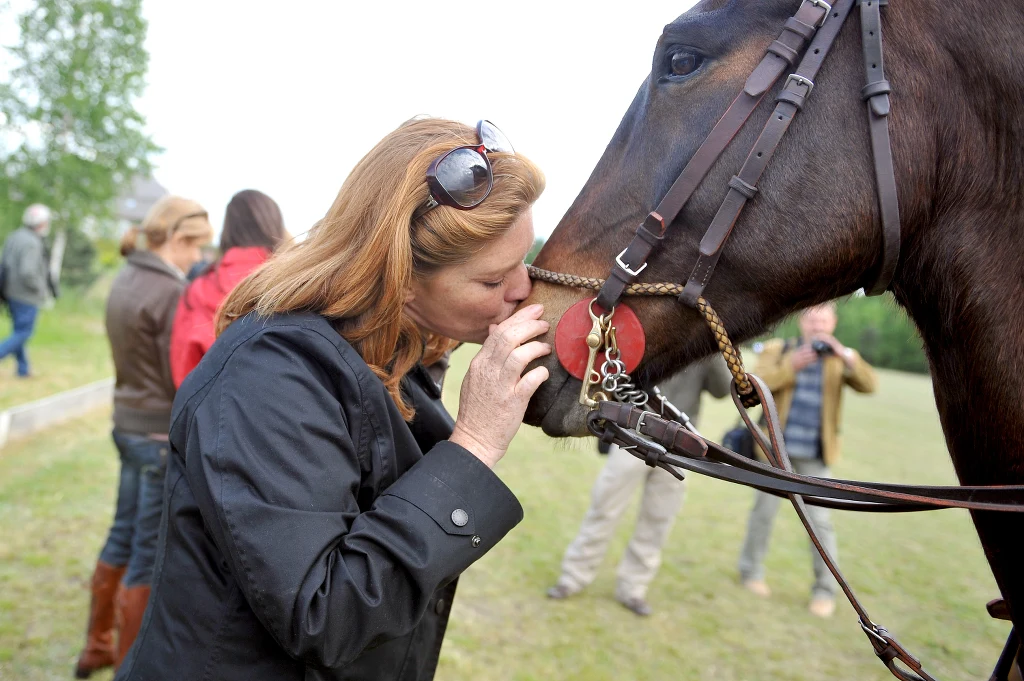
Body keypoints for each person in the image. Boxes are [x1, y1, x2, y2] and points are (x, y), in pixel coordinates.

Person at [117, 118, 548, 681]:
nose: (522, 289)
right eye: (493, 281)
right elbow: (324, 615)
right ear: (401, 278)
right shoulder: (269, 377)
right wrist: (474, 444)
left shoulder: (384, 353)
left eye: (523, 261)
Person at [75, 196, 213, 679]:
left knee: (121, 532)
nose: (199, 258)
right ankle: (128, 666)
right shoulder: (171, 293)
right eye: (196, 247)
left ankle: (96, 645)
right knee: (146, 551)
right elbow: (180, 372)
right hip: (155, 433)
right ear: (176, 239)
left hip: (126, 424)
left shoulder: (126, 277)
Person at [546, 356, 732, 616]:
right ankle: (572, 578)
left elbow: (722, 390)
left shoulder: (706, 345)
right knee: (604, 508)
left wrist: (717, 346)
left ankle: (633, 588)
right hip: (635, 436)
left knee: (658, 520)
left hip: (680, 447)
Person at [737, 302, 877, 618]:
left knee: (821, 524)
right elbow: (751, 385)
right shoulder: (779, 349)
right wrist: (792, 366)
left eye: (823, 320)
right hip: (776, 453)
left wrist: (843, 353)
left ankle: (824, 591)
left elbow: (869, 385)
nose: (817, 327)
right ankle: (750, 572)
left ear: (833, 323)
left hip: (815, 456)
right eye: (812, 320)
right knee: (763, 513)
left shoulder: (839, 359)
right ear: (802, 322)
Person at [170, 189, 288, 387]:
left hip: (213, 412)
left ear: (227, 229)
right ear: (274, 225)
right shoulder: (291, 283)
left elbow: (184, 372)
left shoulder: (199, 288)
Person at [0, 204, 53, 377]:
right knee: (23, 333)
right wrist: (41, 290)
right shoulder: (32, 242)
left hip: (10, 292)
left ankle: (23, 370)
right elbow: (28, 272)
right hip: (26, 295)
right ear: (42, 223)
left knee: (18, 331)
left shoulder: (15, 236)